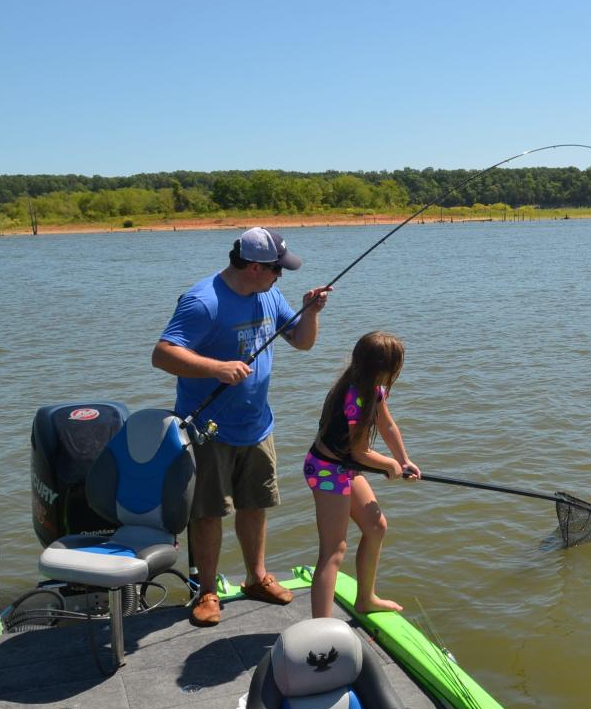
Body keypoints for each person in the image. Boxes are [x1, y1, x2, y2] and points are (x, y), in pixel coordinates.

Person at [153, 227, 331, 626]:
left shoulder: (269, 294)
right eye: (276, 270)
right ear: (253, 267)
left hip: (257, 424)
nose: (280, 276)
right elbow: (162, 354)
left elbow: (301, 342)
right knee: (209, 512)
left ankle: (256, 578)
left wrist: (311, 313)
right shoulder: (203, 301)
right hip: (208, 428)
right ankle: (208, 591)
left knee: (255, 505)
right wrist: (216, 368)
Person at [304, 331, 421, 618]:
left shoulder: (373, 389)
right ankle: (321, 628)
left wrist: (403, 460)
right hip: (326, 470)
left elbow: (388, 427)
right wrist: (389, 466)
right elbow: (360, 453)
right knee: (334, 550)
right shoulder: (353, 397)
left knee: (376, 526)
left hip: (345, 468)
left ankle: (366, 599)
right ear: (382, 368)